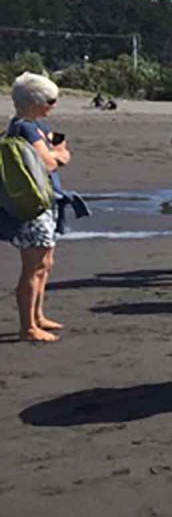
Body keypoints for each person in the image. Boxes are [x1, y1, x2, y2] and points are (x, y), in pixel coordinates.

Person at [6, 73, 71, 342]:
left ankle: (37, 315)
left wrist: (57, 152)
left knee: (45, 261)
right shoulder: (26, 128)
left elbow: (55, 151)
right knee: (33, 265)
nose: (53, 105)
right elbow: (49, 162)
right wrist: (60, 154)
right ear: (34, 101)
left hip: (44, 200)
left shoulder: (32, 126)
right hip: (33, 205)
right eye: (50, 100)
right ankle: (27, 326)